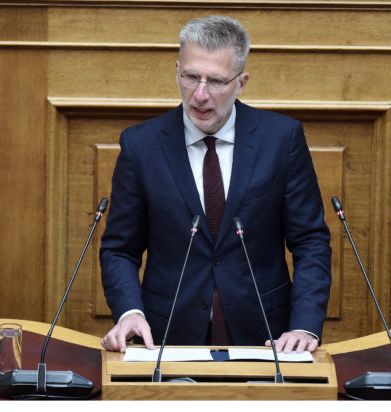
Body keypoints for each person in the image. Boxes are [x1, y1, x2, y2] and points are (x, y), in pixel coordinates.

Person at [100, 15, 331, 354]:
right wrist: (129, 312)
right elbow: (120, 248)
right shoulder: (141, 146)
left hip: (268, 339)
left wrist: (304, 325)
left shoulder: (281, 140)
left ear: (241, 82)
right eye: (190, 76)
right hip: (166, 339)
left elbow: (310, 241)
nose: (200, 94)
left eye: (217, 81)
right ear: (177, 71)